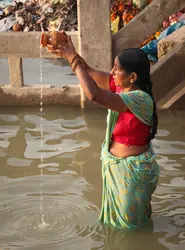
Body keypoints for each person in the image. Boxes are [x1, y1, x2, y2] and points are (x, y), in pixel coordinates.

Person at [48, 31, 160, 229]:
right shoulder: (122, 88)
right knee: (119, 227)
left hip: (131, 175)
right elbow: (90, 72)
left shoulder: (140, 99)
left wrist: (71, 58)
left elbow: (94, 95)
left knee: (129, 229)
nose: (112, 73)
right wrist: (69, 52)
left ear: (132, 77)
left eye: (117, 69)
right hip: (117, 169)